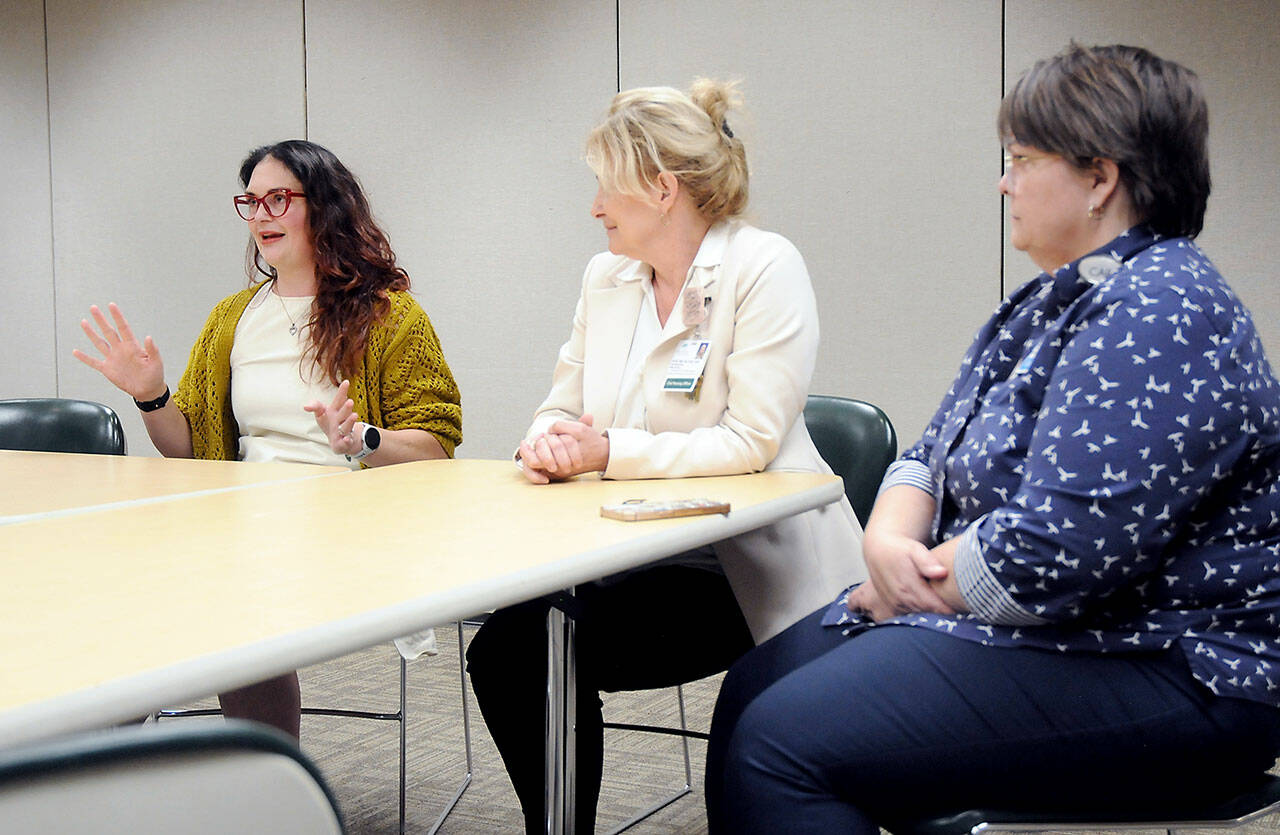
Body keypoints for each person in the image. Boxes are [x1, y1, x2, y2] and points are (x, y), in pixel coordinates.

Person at [706, 43, 1280, 834]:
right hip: (1062, 628)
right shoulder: (1049, 301)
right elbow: (929, 452)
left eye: (1020, 159)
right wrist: (887, 541)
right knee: (752, 688)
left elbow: (1057, 551)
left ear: (1099, 177)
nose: (1004, 182)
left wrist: (908, 586)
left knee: (781, 744)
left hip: (1175, 667)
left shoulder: (1163, 307)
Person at [464, 79, 865, 832]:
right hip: (630, 548)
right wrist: (548, 442)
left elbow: (750, 442)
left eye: (603, 187)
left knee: (552, 643)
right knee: (511, 650)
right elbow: (562, 402)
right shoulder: (605, 278)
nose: (593, 208)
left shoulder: (764, 266)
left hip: (742, 568)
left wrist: (606, 450)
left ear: (660, 186)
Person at [74, 139, 462, 739]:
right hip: (242, 520)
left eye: (277, 199)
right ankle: (93, 759)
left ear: (325, 207)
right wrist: (150, 394)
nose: (259, 217)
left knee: (218, 590)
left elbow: (437, 446)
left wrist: (363, 439)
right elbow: (191, 448)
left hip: (350, 525)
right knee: (122, 577)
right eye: (250, 203)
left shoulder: (389, 316)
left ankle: (249, 777)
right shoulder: (233, 317)